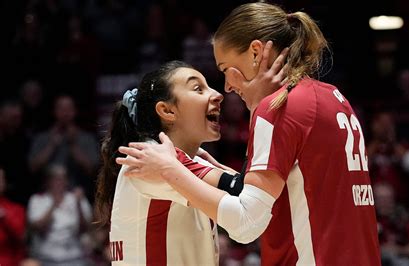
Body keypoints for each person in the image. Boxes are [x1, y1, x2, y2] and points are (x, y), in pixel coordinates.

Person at [116, 2, 381, 265]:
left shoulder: (278, 109)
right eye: (200, 88)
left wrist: (167, 169)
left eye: (224, 70)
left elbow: (246, 223)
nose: (227, 88)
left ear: (256, 52)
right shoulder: (335, 97)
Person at [95, 60, 277, 265]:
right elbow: (247, 209)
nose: (218, 95)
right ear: (167, 111)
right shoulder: (152, 158)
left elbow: (254, 198)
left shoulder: (178, 160)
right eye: (198, 89)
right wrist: (260, 107)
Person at [26, 164, 92, 266]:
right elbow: (37, 228)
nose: (59, 183)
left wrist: (78, 205)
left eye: (62, 178)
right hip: (46, 258)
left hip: (74, 258)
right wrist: (54, 205)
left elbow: (85, 229)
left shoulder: (76, 198)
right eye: (56, 179)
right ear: (48, 181)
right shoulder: (38, 199)